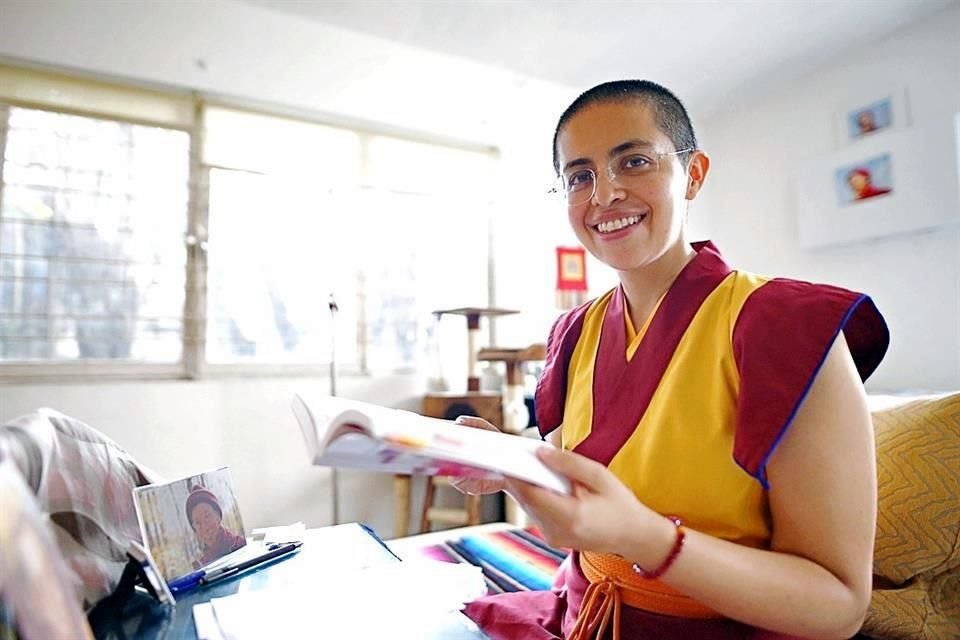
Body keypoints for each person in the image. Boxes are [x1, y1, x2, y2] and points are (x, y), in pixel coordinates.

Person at [454, 80, 889, 640]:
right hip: (581, 615)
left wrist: (648, 539)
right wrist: (510, 466)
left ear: (695, 174)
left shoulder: (785, 325)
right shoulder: (572, 332)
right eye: (579, 176)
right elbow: (576, 483)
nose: (604, 194)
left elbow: (840, 605)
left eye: (634, 162)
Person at [185, 485, 245, 568]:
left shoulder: (238, 544)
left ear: (218, 516)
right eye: (198, 523)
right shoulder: (203, 565)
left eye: (207, 516)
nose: (205, 527)